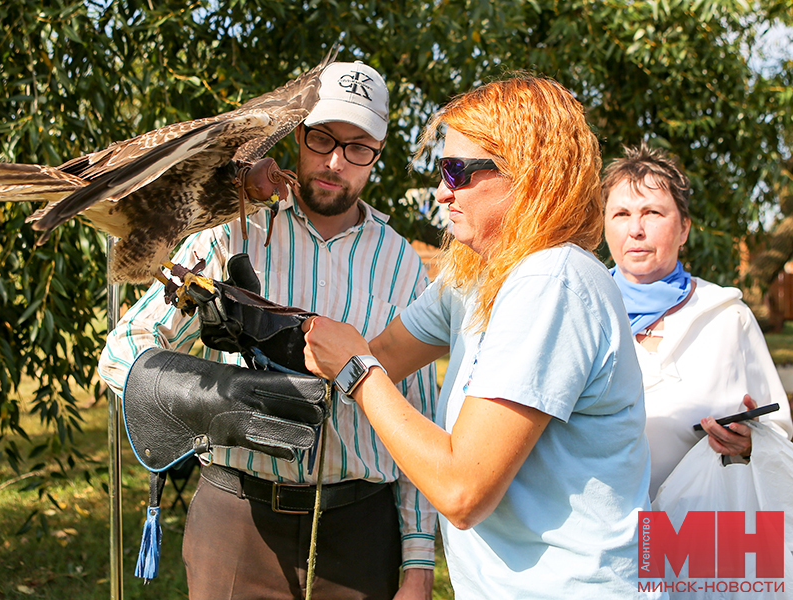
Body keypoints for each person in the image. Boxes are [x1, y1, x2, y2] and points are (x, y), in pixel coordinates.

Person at [303, 76, 664, 599]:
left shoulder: (550, 281)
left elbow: (461, 488)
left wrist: (356, 371)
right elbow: (384, 355)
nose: (442, 191)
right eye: (440, 170)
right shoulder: (476, 275)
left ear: (530, 176)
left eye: (458, 171)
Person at [99, 61, 439, 600]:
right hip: (237, 524)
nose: (334, 161)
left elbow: (420, 413)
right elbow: (122, 352)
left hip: (359, 531)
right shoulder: (234, 228)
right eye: (321, 137)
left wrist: (418, 565)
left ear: (378, 154)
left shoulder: (401, 264)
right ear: (296, 133)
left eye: (358, 147)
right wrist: (213, 399)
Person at [602, 143, 793, 499]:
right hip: (599, 535)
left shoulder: (727, 316)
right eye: (621, 214)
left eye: (653, 213)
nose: (636, 229)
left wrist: (750, 442)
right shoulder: (585, 310)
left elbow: (777, 431)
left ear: (685, 228)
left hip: (698, 534)